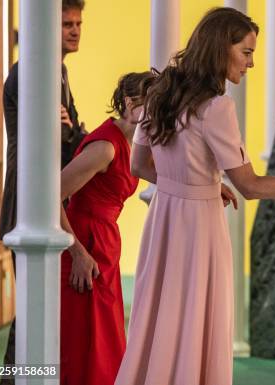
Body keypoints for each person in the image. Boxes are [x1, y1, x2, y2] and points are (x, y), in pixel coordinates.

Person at [115, 7, 275, 385]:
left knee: (162, 313)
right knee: (198, 316)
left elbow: (138, 165)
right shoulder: (217, 107)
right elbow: (250, 186)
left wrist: (193, 185)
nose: (251, 63)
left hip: (163, 220)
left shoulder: (160, 93)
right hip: (200, 229)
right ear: (220, 49)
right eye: (245, 52)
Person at [0, 1, 86, 382]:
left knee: (42, 308)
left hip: (50, 202)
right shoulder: (28, 73)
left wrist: (73, 132)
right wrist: (67, 132)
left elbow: (76, 136)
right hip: (28, 204)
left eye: (78, 23)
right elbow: (44, 144)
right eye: (66, 23)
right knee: (32, 309)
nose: (74, 30)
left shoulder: (58, 71)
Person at [59, 72, 156, 385]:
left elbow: (165, 174)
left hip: (105, 243)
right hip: (83, 243)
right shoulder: (105, 147)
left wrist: (210, 188)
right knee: (82, 340)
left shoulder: (135, 143)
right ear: (130, 103)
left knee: (105, 337)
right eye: (153, 105)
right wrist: (78, 253)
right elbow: (51, 197)